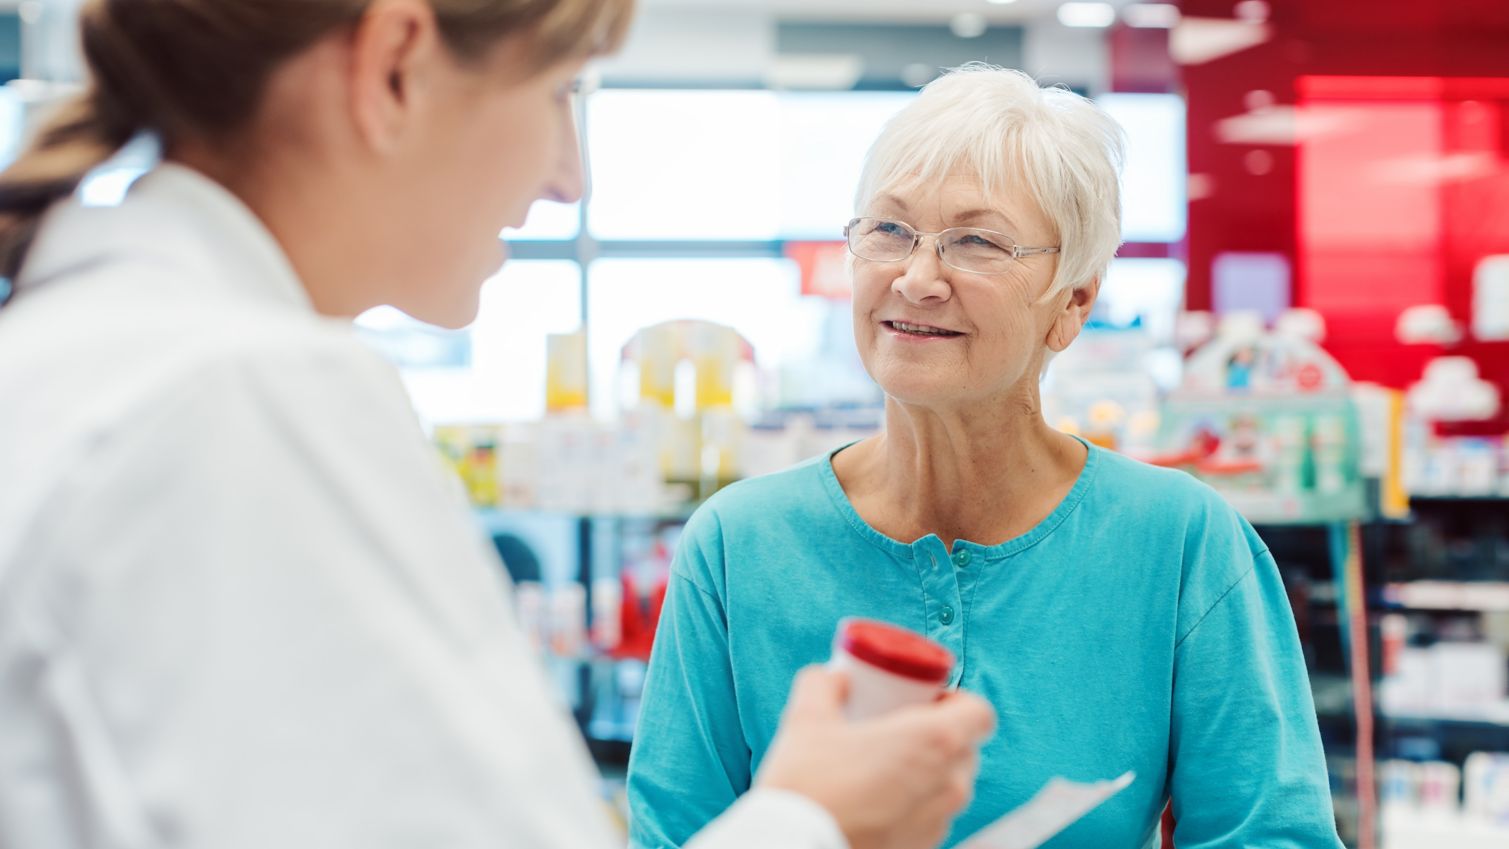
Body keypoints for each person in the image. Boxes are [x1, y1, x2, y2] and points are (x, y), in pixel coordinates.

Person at [0, 2, 996, 848]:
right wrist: (813, 817)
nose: (570, 177)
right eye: (561, 91)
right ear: (396, 67)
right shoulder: (241, 393)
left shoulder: (94, 350)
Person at [626, 65, 1344, 849]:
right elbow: (669, 834)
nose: (916, 277)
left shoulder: (1179, 542)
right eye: (889, 230)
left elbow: (1270, 834)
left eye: (977, 242)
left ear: (1071, 302)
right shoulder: (739, 545)